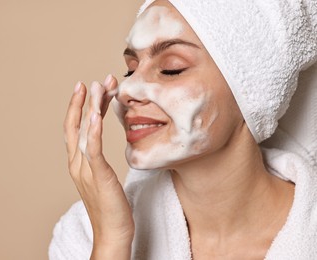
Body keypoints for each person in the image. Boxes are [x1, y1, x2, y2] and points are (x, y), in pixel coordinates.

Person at [49, 0, 317, 259]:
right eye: (130, 71)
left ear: (254, 90)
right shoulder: (86, 236)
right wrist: (111, 242)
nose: (126, 90)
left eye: (170, 69)